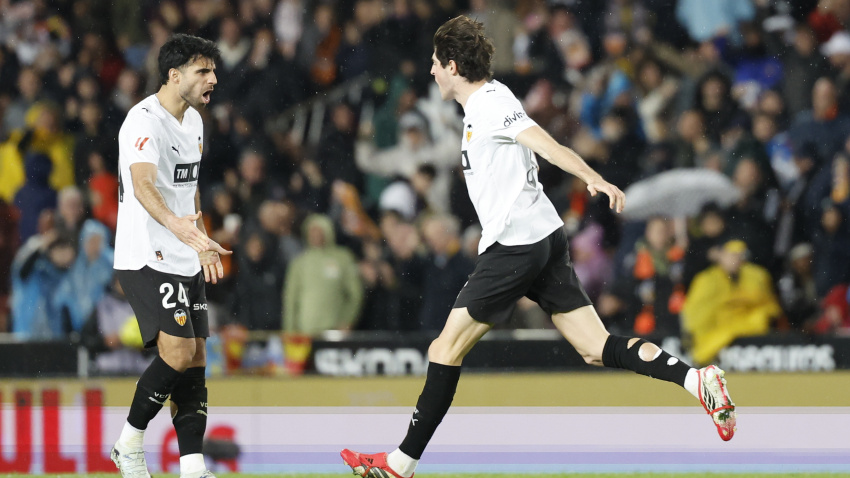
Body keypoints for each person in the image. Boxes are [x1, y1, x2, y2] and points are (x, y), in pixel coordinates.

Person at [341, 16, 737, 478]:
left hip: (516, 245)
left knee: (443, 349)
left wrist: (593, 177)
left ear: (452, 65)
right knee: (596, 347)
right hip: (542, 237)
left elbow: (543, 142)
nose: (430, 71)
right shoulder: (481, 107)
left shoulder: (491, 101)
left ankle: (400, 465)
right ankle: (698, 380)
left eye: (434, 63)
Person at [110, 34, 230, 478]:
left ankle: (193, 466)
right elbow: (142, 185)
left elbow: (188, 186)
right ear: (174, 75)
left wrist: (198, 238)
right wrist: (177, 226)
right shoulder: (143, 121)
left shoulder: (194, 122)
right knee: (177, 352)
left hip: (182, 252)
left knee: (197, 356)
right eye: (203, 71)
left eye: (213, 71)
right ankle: (128, 443)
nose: (213, 79)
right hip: (145, 254)